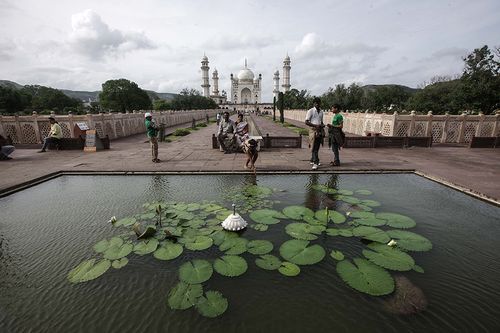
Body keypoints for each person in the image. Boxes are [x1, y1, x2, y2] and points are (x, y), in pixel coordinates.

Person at [305, 97, 324, 170]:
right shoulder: (311, 111)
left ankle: (313, 159)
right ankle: (316, 162)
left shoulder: (321, 112)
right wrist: (315, 125)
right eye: (316, 103)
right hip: (313, 131)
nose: (318, 104)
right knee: (314, 146)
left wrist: (322, 125)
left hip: (319, 131)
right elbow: (306, 122)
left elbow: (321, 121)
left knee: (317, 146)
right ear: (314, 103)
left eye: (319, 103)